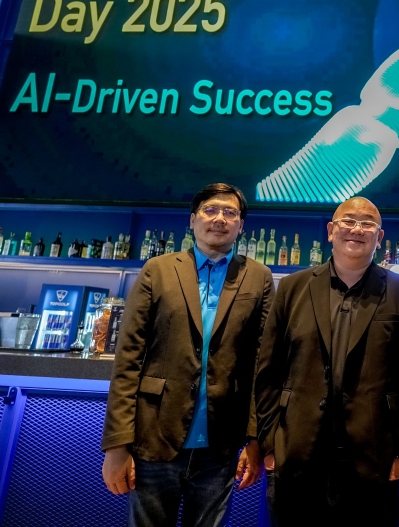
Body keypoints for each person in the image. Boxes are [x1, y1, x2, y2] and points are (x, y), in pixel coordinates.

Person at [101, 183, 273, 527]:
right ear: (193, 220)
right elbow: (128, 359)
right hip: (155, 437)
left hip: (221, 445)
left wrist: (256, 441)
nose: (220, 218)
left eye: (230, 212)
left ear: (241, 226)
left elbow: (262, 366)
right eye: (210, 210)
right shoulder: (158, 270)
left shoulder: (259, 277)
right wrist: (117, 445)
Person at [254, 196, 399, 527]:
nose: (356, 229)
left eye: (367, 224)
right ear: (331, 230)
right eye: (348, 221)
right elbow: (268, 371)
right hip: (297, 453)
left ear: (380, 237)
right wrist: (270, 442)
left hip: (373, 458)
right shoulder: (292, 288)